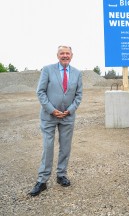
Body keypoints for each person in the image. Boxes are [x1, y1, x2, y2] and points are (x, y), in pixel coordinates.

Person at [29, 45, 83, 196]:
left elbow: (79, 95)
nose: (65, 55)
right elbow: (40, 92)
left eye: (67, 53)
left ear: (72, 55)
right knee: (48, 147)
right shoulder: (47, 70)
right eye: (62, 53)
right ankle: (42, 180)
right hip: (49, 116)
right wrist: (52, 110)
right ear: (57, 55)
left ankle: (61, 175)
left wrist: (70, 110)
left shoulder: (77, 73)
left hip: (67, 116)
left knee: (65, 147)